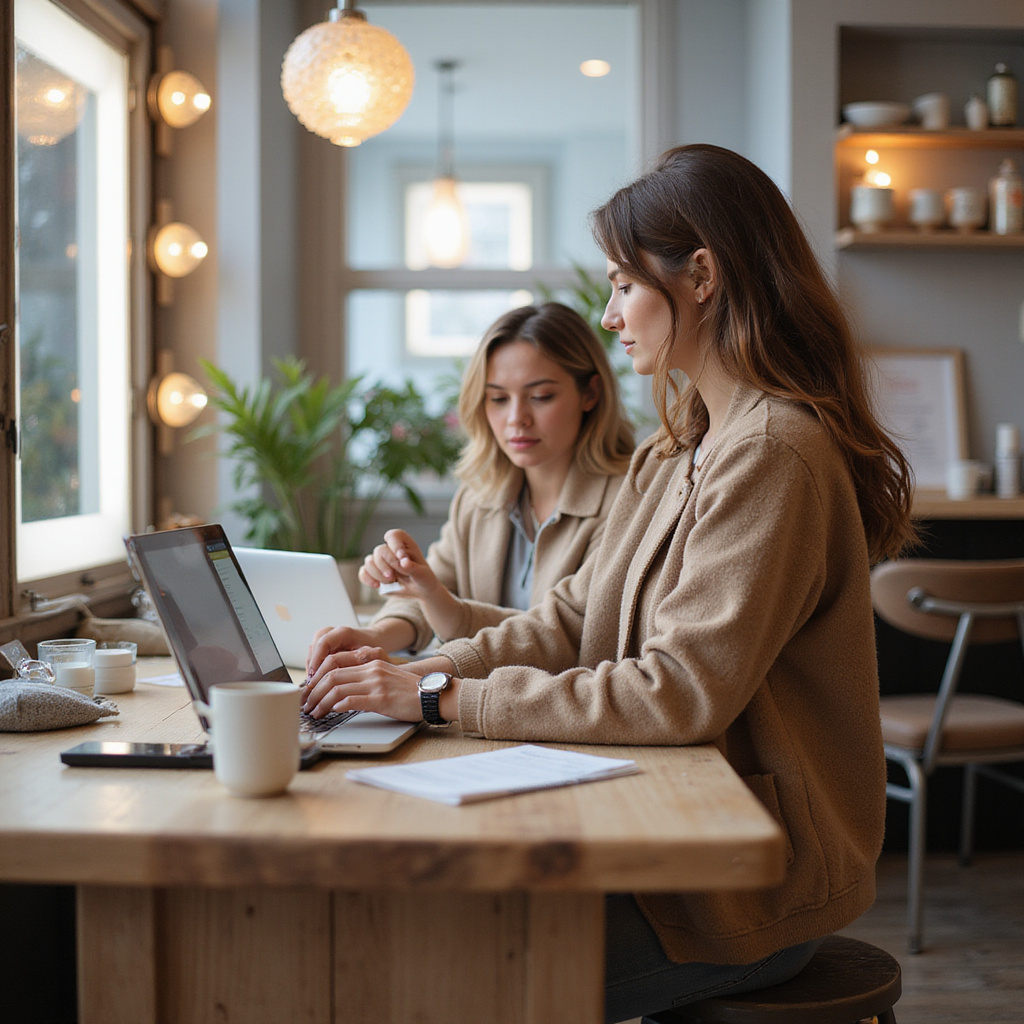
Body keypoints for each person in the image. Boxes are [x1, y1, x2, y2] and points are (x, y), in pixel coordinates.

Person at [302, 144, 916, 1022]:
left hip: (742, 886)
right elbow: (567, 617)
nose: (610, 312)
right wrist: (416, 669)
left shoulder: (773, 453)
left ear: (700, 276)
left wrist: (437, 698)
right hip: (667, 832)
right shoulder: (677, 448)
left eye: (625, 284)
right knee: (414, 929)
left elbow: (678, 692)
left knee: (437, 964)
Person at [312, 301, 635, 656]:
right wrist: (374, 636)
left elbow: (570, 636)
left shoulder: (629, 502)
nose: (516, 418)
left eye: (540, 396)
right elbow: (427, 594)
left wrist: (441, 603)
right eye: (498, 398)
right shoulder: (480, 495)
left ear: (590, 394)